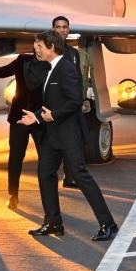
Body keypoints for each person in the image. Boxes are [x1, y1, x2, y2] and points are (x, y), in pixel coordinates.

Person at [18, 30, 118, 242]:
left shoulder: (67, 69)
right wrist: (36, 117)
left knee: (81, 177)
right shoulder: (49, 69)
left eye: (40, 46)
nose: (36, 49)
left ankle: (108, 224)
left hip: (69, 134)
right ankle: (53, 222)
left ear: (52, 48)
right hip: (52, 136)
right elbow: (50, 104)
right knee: (45, 174)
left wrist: (52, 115)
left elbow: (74, 102)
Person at [0, 50, 49, 210]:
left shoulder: (52, 63)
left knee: (46, 158)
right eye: (36, 44)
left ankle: (48, 196)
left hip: (40, 117)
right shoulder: (22, 59)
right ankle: (13, 194)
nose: (39, 47)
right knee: (16, 157)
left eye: (42, 45)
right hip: (19, 117)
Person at [52, 15, 81, 189]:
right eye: (58, 27)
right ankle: (50, 176)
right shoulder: (47, 50)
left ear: (68, 30)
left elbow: (78, 78)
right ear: (53, 29)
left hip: (69, 105)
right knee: (53, 142)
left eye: (65, 27)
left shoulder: (73, 53)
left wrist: (80, 97)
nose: (62, 30)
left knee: (71, 141)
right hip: (53, 105)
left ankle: (69, 176)